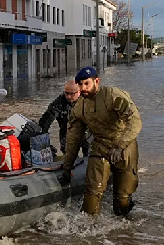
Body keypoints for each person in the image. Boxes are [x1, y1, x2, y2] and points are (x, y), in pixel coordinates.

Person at [60, 67, 142, 217]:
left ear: (97, 81)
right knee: (92, 194)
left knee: (122, 200)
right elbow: (74, 138)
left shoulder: (113, 95)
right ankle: (90, 231)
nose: (83, 88)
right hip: (100, 147)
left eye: (86, 83)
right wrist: (67, 167)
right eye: (80, 84)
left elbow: (134, 121)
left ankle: (125, 231)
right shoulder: (80, 107)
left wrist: (120, 146)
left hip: (124, 146)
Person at [39, 79, 89, 155]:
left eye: (72, 94)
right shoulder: (59, 102)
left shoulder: (88, 100)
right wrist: (42, 137)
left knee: (90, 154)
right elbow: (46, 119)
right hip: (67, 131)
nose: (68, 97)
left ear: (79, 92)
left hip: (86, 131)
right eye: (66, 93)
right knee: (68, 155)